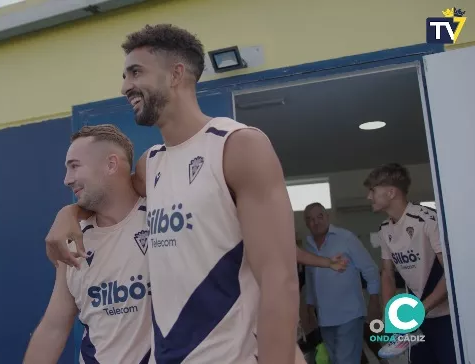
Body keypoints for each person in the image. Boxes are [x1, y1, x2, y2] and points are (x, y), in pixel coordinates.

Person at [46, 24, 312, 363]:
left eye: (136, 72)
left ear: (176, 74)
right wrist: (67, 214)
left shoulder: (238, 146)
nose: (125, 85)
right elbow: (108, 196)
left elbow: (280, 280)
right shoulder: (150, 165)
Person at [23, 125, 152, 363]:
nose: (67, 180)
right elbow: (54, 328)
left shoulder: (161, 218)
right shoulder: (73, 242)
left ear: (111, 165)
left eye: (74, 166)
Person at [363, 163, 456, 364]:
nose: (368, 197)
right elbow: (387, 273)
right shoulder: (384, 229)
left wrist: (419, 311)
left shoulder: (427, 220)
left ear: (391, 192)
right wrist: (392, 318)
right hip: (418, 321)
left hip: (447, 317)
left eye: (372, 190)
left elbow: (451, 274)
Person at [303, 203, 381, 364]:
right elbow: (310, 278)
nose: (316, 222)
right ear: (306, 223)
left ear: (327, 217)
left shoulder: (346, 238)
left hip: (350, 314)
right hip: (324, 318)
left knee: (345, 360)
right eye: (310, 219)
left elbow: (369, 268)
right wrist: (310, 306)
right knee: (335, 360)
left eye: (319, 216)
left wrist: (374, 299)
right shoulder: (308, 246)